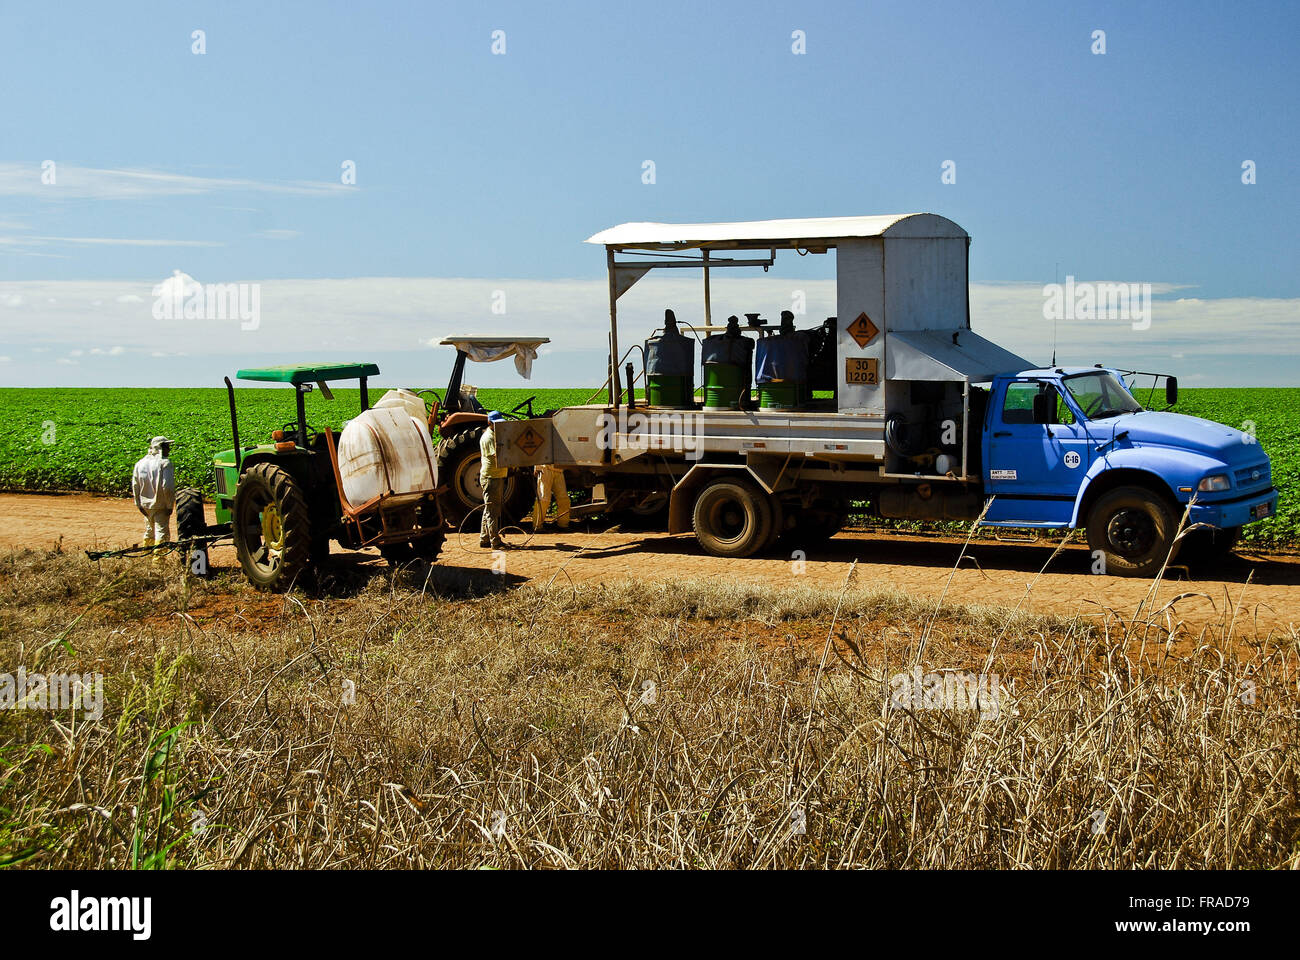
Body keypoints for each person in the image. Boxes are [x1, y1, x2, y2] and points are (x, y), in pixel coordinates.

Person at [132, 436, 175, 566]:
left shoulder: (140, 463)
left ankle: (147, 558)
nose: (169, 449)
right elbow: (167, 487)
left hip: (145, 505)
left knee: (149, 531)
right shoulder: (165, 463)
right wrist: (169, 505)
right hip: (160, 504)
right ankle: (158, 563)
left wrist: (138, 504)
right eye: (167, 446)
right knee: (161, 532)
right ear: (160, 447)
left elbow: (135, 485)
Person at [479, 412, 509, 549]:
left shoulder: (494, 435)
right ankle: (495, 541)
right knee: (493, 511)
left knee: (489, 509)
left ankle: (484, 538)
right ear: (490, 423)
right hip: (491, 477)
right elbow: (498, 456)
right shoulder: (489, 438)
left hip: (495, 476)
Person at [532, 463, 571, 532]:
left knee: (563, 499)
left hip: (559, 469)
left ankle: (563, 525)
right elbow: (540, 452)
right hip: (545, 468)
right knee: (543, 498)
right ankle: (537, 526)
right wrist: (537, 467)